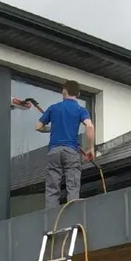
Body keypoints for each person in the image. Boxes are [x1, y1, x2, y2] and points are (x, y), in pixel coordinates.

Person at [36, 80, 95, 209]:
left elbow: (38, 126)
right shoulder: (80, 109)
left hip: (54, 151)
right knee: (72, 186)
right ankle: (72, 216)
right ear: (78, 94)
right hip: (71, 151)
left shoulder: (53, 108)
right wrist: (90, 149)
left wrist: (52, 128)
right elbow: (90, 127)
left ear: (64, 92)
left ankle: (51, 219)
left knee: (52, 188)